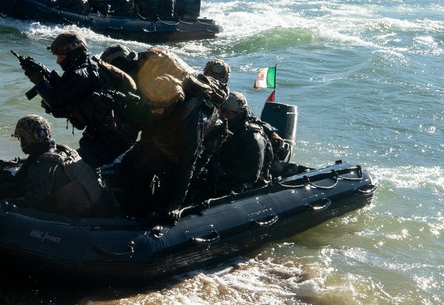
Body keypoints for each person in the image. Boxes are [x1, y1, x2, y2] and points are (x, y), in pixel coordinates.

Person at [117, 72, 224, 221]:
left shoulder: (192, 118)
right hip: (171, 131)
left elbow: (187, 163)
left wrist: (175, 204)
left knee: (171, 180)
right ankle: (132, 204)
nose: (153, 110)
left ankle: (166, 205)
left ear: (172, 103)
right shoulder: (156, 105)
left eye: (157, 107)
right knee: (131, 162)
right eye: (151, 106)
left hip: (203, 142)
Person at [22, 31, 135, 168]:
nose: (58, 61)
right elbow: (63, 103)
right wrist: (43, 72)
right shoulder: (87, 70)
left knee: (66, 169)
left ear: (73, 55)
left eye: (61, 57)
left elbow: (56, 101)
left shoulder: (84, 74)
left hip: (113, 140)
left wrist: (38, 79)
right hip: (101, 136)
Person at [8, 115, 110, 216]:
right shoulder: (63, 150)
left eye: (22, 138)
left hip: (84, 212)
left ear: (30, 138)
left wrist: (5, 203)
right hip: (95, 200)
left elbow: (31, 201)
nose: (22, 142)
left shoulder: (43, 164)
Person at [207, 92, 273, 196]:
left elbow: (252, 175)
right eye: (222, 111)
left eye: (228, 113)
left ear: (239, 114)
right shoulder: (221, 128)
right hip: (220, 176)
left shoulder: (253, 138)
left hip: (241, 185)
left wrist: (223, 173)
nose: (223, 116)